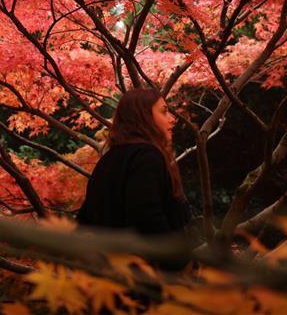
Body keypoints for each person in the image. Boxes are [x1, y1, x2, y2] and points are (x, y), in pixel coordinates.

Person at [75, 86, 201, 274]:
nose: (172, 119)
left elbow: (85, 220)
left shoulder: (108, 160)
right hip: (145, 277)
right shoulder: (147, 156)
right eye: (164, 112)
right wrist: (179, 262)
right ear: (143, 116)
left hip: (109, 276)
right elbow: (146, 216)